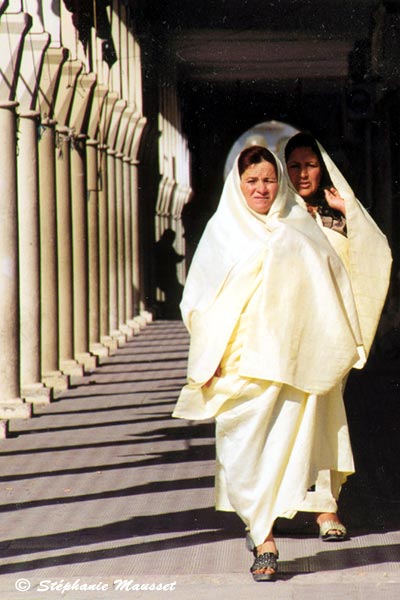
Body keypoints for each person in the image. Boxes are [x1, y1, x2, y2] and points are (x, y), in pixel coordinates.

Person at [173, 145, 391, 582]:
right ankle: (260, 531)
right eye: (252, 181)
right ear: (238, 184)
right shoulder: (223, 232)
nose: (261, 189)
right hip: (240, 367)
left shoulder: (299, 228)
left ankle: (266, 542)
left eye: (269, 180)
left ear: (280, 183)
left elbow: (331, 285)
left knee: (287, 449)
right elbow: (198, 301)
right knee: (245, 453)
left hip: (292, 362)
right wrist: (210, 357)